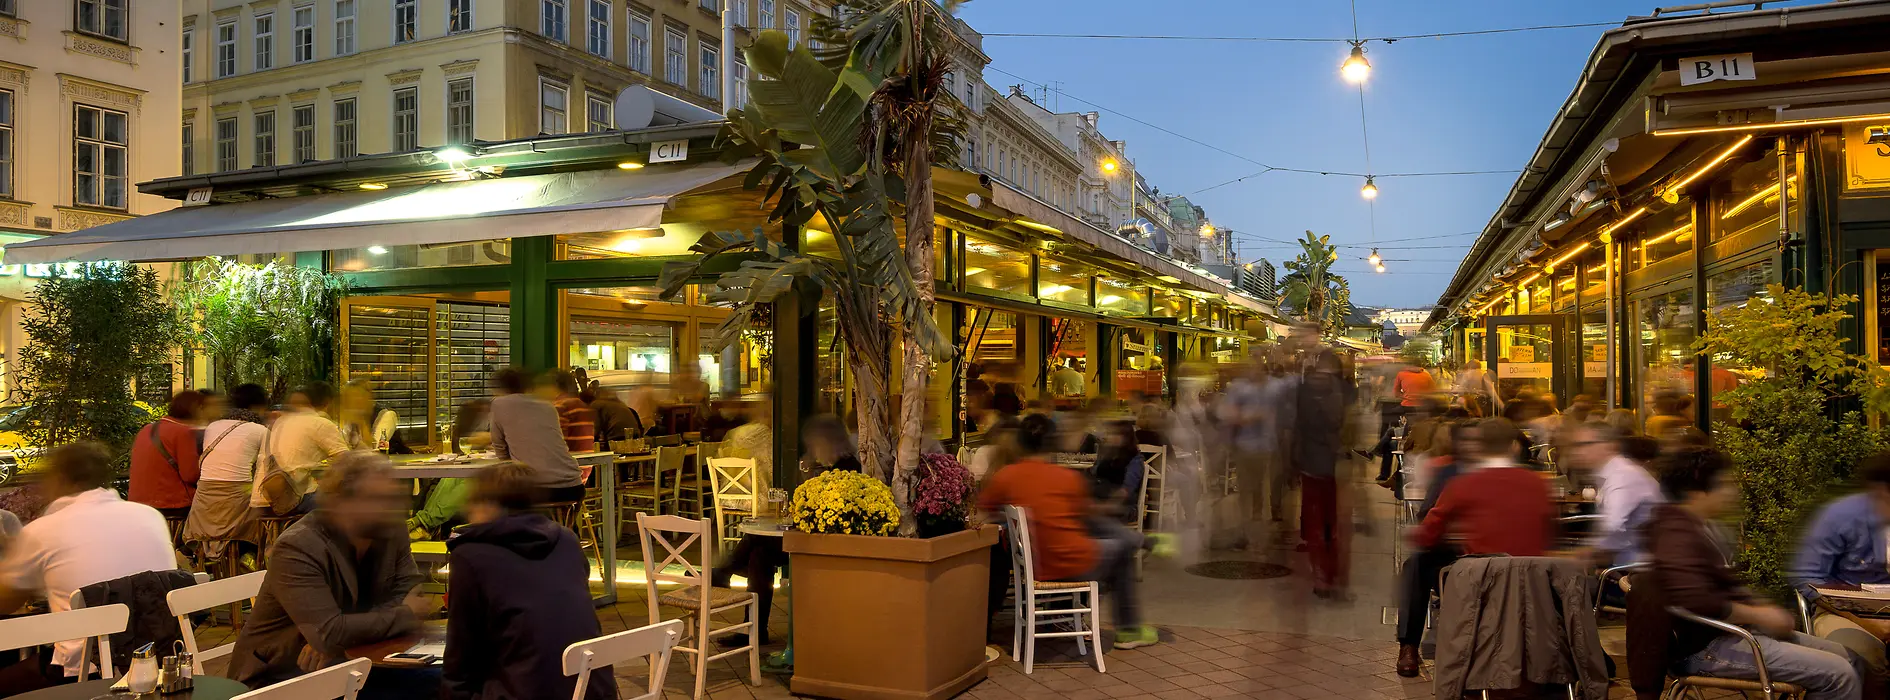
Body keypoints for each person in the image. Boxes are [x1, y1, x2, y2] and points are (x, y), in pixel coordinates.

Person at [1647, 446, 1869, 700]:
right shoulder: (1674, 533)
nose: (1733, 491)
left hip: (1729, 634)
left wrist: (1759, 609)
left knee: (1851, 659)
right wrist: (1760, 614)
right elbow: (1696, 599)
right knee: (1840, 673)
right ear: (1695, 491)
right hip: (1705, 648)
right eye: (1725, 484)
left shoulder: (1697, 526)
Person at [229, 452, 441, 699]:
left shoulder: (390, 528)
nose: (394, 507)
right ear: (342, 502)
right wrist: (402, 614)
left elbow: (411, 593)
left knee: (448, 679)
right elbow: (328, 633)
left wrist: (340, 638)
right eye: (379, 499)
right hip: (280, 676)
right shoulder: (298, 546)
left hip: (353, 659)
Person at [0, 443, 180, 695]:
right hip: (161, 658)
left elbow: (5, 602)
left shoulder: (43, 530)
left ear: (60, 479)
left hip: (86, 669)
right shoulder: (149, 515)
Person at [978, 414, 1157, 649]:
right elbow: (1089, 517)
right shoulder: (1067, 478)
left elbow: (982, 513)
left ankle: (1136, 542)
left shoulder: (1005, 477)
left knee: (1107, 536)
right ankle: (1129, 630)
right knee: (1120, 550)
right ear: (1053, 444)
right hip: (1070, 563)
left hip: (1033, 564)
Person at [443, 464, 614, 700]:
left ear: (487, 504)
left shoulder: (470, 556)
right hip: (591, 690)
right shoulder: (566, 539)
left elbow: (460, 653)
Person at [712, 415, 855, 648]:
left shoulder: (845, 470)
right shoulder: (831, 466)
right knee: (759, 554)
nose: (813, 450)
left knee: (758, 542)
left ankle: (725, 571)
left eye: (815, 444)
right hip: (813, 537)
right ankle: (754, 630)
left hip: (825, 544)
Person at [1790, 453, 1890, 680]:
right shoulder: (1841, 516)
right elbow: (1807, 578)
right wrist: (1863, 621)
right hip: (1845, 612)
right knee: (1858, 652)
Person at [1395, 420, 1477, 676]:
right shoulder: (1448, 472)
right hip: (1456, 553)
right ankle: (1408, 645)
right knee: (1416, 566)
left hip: (1492, 556)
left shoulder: (1503, 474)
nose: (1472, 447)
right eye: (1466, 441)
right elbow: (1426, 515)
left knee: (1417, 564)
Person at [1412, 418, 1555, 558]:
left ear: (1480, 447)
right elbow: (1548, 534)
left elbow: (1426, 535)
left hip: (1478, 577)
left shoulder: (1461, 485)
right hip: (1531, 577)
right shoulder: (1538, 483)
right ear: (1515, 446)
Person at [184, 383, 271, 561]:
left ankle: (197, 556)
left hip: (204, 501)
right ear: (258, 407)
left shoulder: (213, 426)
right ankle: (249, 561)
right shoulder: (261, 430)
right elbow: (266, 468)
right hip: (237, 500)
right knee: (264, 514)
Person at [1290, 349, 1351, 597]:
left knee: (1324, 525)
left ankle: (1326, 577)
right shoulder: (1339, 393)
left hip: (1324, 466)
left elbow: (1297, 428)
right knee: (1328, 525)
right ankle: (1326, 576)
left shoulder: (1321, 394)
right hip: (1324, 466)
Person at [1562, 421, 1663, 567]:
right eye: (1575, 445)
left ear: (1610, 446)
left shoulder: (1623, 476)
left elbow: (1613, 528)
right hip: (1626, 564)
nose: (1578, 451)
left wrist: (1582, 555)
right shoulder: (1613, 473)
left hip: (1637, 570)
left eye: (1586, 444)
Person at [489, 368, 585, 503]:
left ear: (500, 388)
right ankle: (561, 524)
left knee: (495, 500)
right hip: (573, 486)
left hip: (536, 489)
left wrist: (513, 464)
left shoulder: (499, 403)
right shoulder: (548, 406)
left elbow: (499, 446)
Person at [261, 382, 350, 514]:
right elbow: (348, 461)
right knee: (350, 500)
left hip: (263, 499)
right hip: (293, 499)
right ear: (328, 403)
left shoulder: (280, 421)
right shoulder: (320, 423)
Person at [129, 389, 211, 519]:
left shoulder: (147, 429)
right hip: (170, 504)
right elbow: (190, 474)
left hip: (138, 502)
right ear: (197, 409)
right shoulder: (183, 432)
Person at [339, 380, 407, 454]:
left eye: (357, 396)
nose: (353, 401)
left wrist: (361, 421)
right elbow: (343, 446)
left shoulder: (387, 415)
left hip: (394, 462)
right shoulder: (352, 417)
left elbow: (374, 448)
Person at [541, 370, 596, 453]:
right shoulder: (580, 404)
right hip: (585, 462)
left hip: (567, 463)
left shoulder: (560, 406)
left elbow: (555, 442)